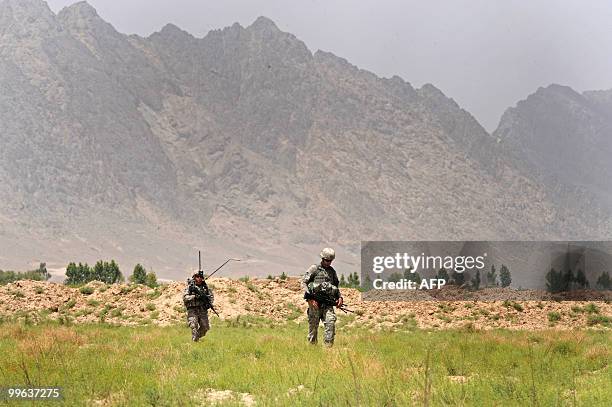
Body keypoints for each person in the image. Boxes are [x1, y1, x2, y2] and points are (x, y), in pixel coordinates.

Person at [302, 247, 343, 347]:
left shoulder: (332, 272)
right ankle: (312, 351)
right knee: (313, 329)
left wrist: (340, 298)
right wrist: (310, 299)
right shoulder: (314, 269)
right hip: (315, 304)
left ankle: (328, 350)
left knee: (330, 324)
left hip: (328, 304)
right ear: (322, 258)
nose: (328, 263)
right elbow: (304, 283)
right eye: (327, 260)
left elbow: (336, 287)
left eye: (330, 261)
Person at [183, 271, 214, 342]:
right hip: (192, 310)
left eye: (200, 277)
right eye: (197, 277)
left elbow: (211, 297)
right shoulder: (190, 288)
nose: (199, 278)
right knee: (194, 325)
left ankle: (196, 338)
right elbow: (185, 298)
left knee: (205, 327)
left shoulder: (205, 288)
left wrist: (207, 301)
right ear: (194, 277)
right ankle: (194, 341)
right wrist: (194, 296)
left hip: (202, 310)